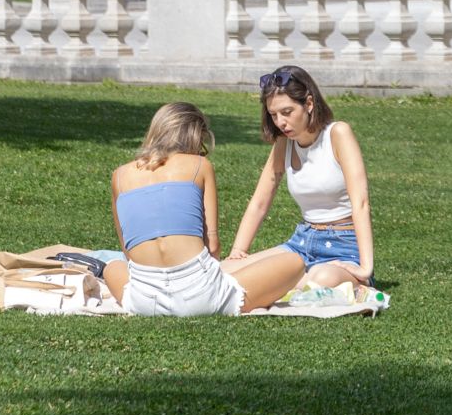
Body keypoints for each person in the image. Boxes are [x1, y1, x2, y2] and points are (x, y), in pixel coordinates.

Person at [103, 101, 305, 316]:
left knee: (111, 266)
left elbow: (127, 251)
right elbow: (213, 246)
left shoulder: (119, 176)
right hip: (201, 296)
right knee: (295, 262)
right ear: (195, 134)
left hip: (144, 300)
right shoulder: (199, 165)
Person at [227, 66, 374, 290]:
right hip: (302, 242)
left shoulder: (338, 134)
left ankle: (348, 282)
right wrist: (238, 252)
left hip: (344, 244)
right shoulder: (284, 143)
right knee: (224, 272)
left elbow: (361, 203)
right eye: (274, 115)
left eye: (287, 112)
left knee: (318, 280)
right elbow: (259, 202)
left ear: (309, 103)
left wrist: (366, 268)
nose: (280, 122)